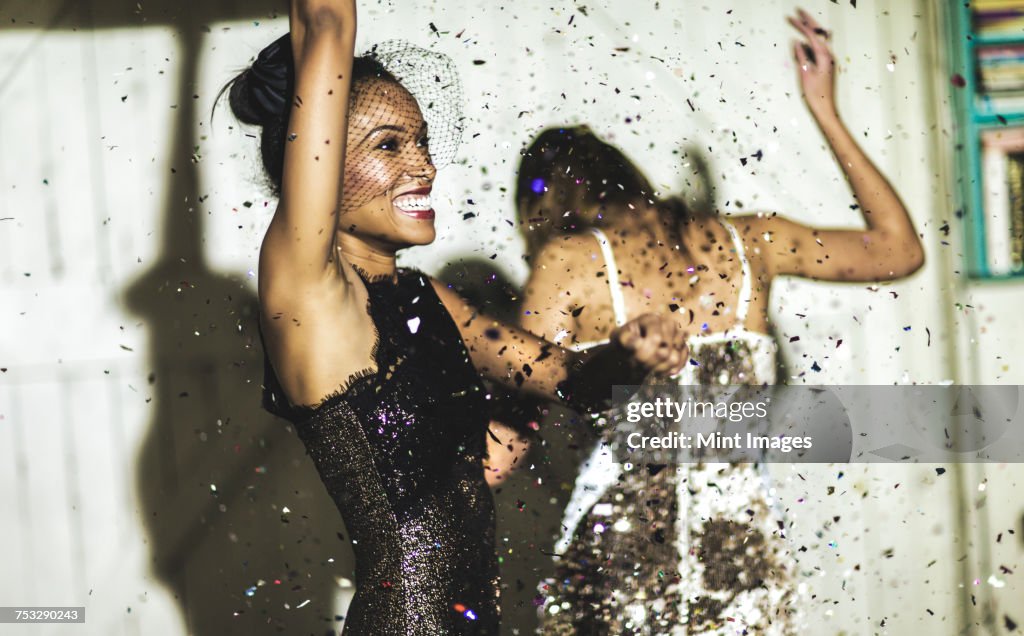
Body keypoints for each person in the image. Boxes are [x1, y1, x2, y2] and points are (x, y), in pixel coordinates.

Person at [223, 1, 687, 633]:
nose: (424, 165)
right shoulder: (308, 292)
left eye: (421, 141)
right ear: (317, 166)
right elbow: (326, 21)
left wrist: (630, 352)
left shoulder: (425, 297)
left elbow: (573, 382)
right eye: (389, 145)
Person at [515, 9, 924, 634]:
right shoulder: (750, 243)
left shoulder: (567, 262)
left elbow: (518, 414)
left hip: (618, 575)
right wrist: (824, 109)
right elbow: (899, 250)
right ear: (629, 179)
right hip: (743, 568)